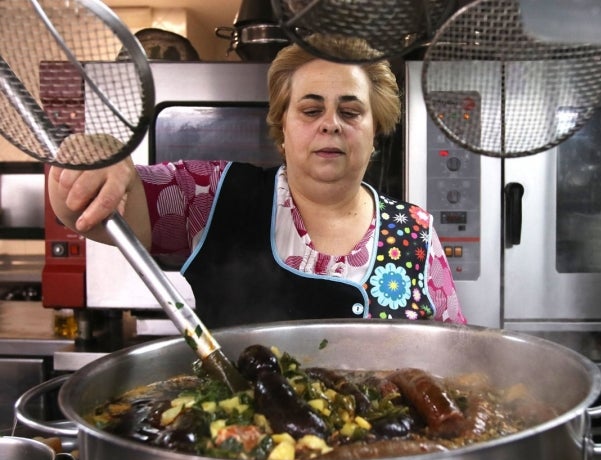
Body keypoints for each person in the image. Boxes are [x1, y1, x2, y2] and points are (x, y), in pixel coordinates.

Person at [48, 35, 466, 327]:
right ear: (282, 127)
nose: (331, 125)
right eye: (310, 109)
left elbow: (453, 356)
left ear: (377, 131)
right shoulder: (210, 194)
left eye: (351, 112)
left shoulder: (414, 231)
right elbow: (85, 209)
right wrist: (95, 159)